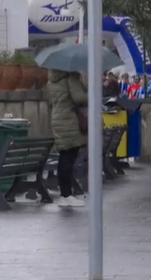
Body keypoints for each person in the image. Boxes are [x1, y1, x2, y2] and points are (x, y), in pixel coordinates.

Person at [47, 69, 88, 208]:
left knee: (65, 155)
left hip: (57, 118)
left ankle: (66, 193)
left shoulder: (52, 80)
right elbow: (79, 98)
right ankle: (66, 195)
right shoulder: (70, 78)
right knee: (68, 156)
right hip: (68, 119)